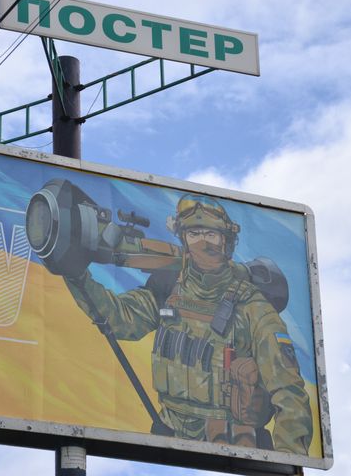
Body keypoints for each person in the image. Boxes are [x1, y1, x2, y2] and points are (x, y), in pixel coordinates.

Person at [62, 194, 313, 454]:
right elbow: (120, 318)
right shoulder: (169, 289)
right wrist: (76, 274)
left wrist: (287, 459)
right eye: (194, 234)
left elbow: (290, 393)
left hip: (231, 444)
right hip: (168, 437)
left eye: (211, 234)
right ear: (184, 239)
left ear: (226, 242)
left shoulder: (253, 308)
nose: (203, 242)